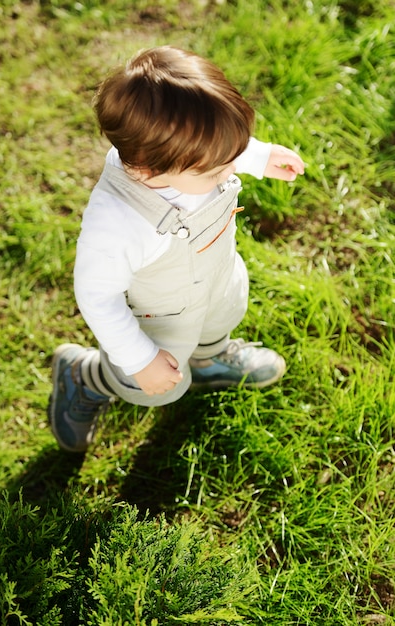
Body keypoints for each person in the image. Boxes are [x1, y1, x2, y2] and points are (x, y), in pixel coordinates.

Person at [48, 45, 305, 453]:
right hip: (159, 319)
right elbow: (97, 296)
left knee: (222, 316)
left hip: (215, 277)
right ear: (149, 169)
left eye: (233, 155)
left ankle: (209, 359)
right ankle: (84, 376)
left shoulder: (188, 156)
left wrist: (257, 155)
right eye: (219, 167)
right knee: (156, 385)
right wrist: (139, 359)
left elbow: (217, 148)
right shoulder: (118, 222)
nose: (230, 168)